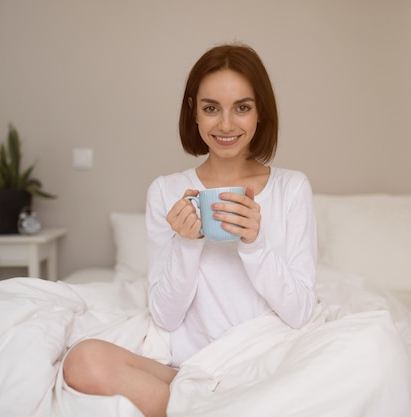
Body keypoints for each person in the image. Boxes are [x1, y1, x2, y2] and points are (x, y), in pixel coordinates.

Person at [62, 43, 317, 417]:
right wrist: (187, 244)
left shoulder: (291, 189)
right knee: (82, 361)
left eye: (242, 108)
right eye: (211, 108)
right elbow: (165, 316)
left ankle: (206, 408)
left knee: (373, 354)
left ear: (260, 112)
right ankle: (217, 408)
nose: (226, 125)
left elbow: (301, 313)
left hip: (264, 361)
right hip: (190, 367)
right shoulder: (165, 191)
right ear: (193, 112)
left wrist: (254, 245)